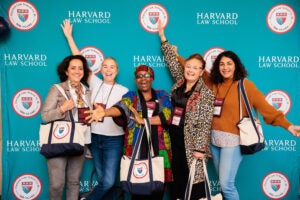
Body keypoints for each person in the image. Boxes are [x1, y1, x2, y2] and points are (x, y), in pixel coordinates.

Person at [175, 48, 300, 199]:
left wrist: (288, 126)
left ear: (236, 66)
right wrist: (175, 54)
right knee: (223, 184)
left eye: (229, 63)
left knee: (227, 185)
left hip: (233, 141)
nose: (225, 67)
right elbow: (191, 67)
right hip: (214, 141)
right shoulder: (214, 83)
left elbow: (265, 108)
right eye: (221, 64)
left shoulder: (245, 86)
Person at [61, 19, 129, 200]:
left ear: (117, 70)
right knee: (104, 181)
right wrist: (69, 37)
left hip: (114, 139)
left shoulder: (124, 91)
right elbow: (80, 59)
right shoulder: (94, 82)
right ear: (100, 69)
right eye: (105, 66)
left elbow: (125, 113)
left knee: (107, 182)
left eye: (112, 67)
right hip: (94, 137)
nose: (108, 69)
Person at [85, 65, 173, 200]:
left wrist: (143, 121)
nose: (143, 79)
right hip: (135, 151)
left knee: (158, 191)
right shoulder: (131, 97)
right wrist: (105, 112)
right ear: (135, 80)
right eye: (139, 76)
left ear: (152, 78)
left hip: (159, 150)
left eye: (146, 75)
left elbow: (166, 116)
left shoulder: (162, 95)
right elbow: (121, 107)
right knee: (137, 190)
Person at [157, 21, 215, 200]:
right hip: (173, 136)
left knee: (194, 182)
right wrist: (163, 38)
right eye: (188, 67)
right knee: (177, 178)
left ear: (201, 71)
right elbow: (172, 63)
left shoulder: (206, 93)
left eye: (195, 68)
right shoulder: (180, 82)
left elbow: (205, 122)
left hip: (191, 143)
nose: (190, 70)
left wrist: (200, 148)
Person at [41, 54, 92, 200]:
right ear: (66, 71)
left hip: (80, 141)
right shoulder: (57, 89)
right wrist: (62, 109)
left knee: (74, 182)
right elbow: (45, 116)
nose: (77, 71)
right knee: (57, 184)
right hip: (59, 141)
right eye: (73, 68)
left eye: (80, 68)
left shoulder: (87, 91)